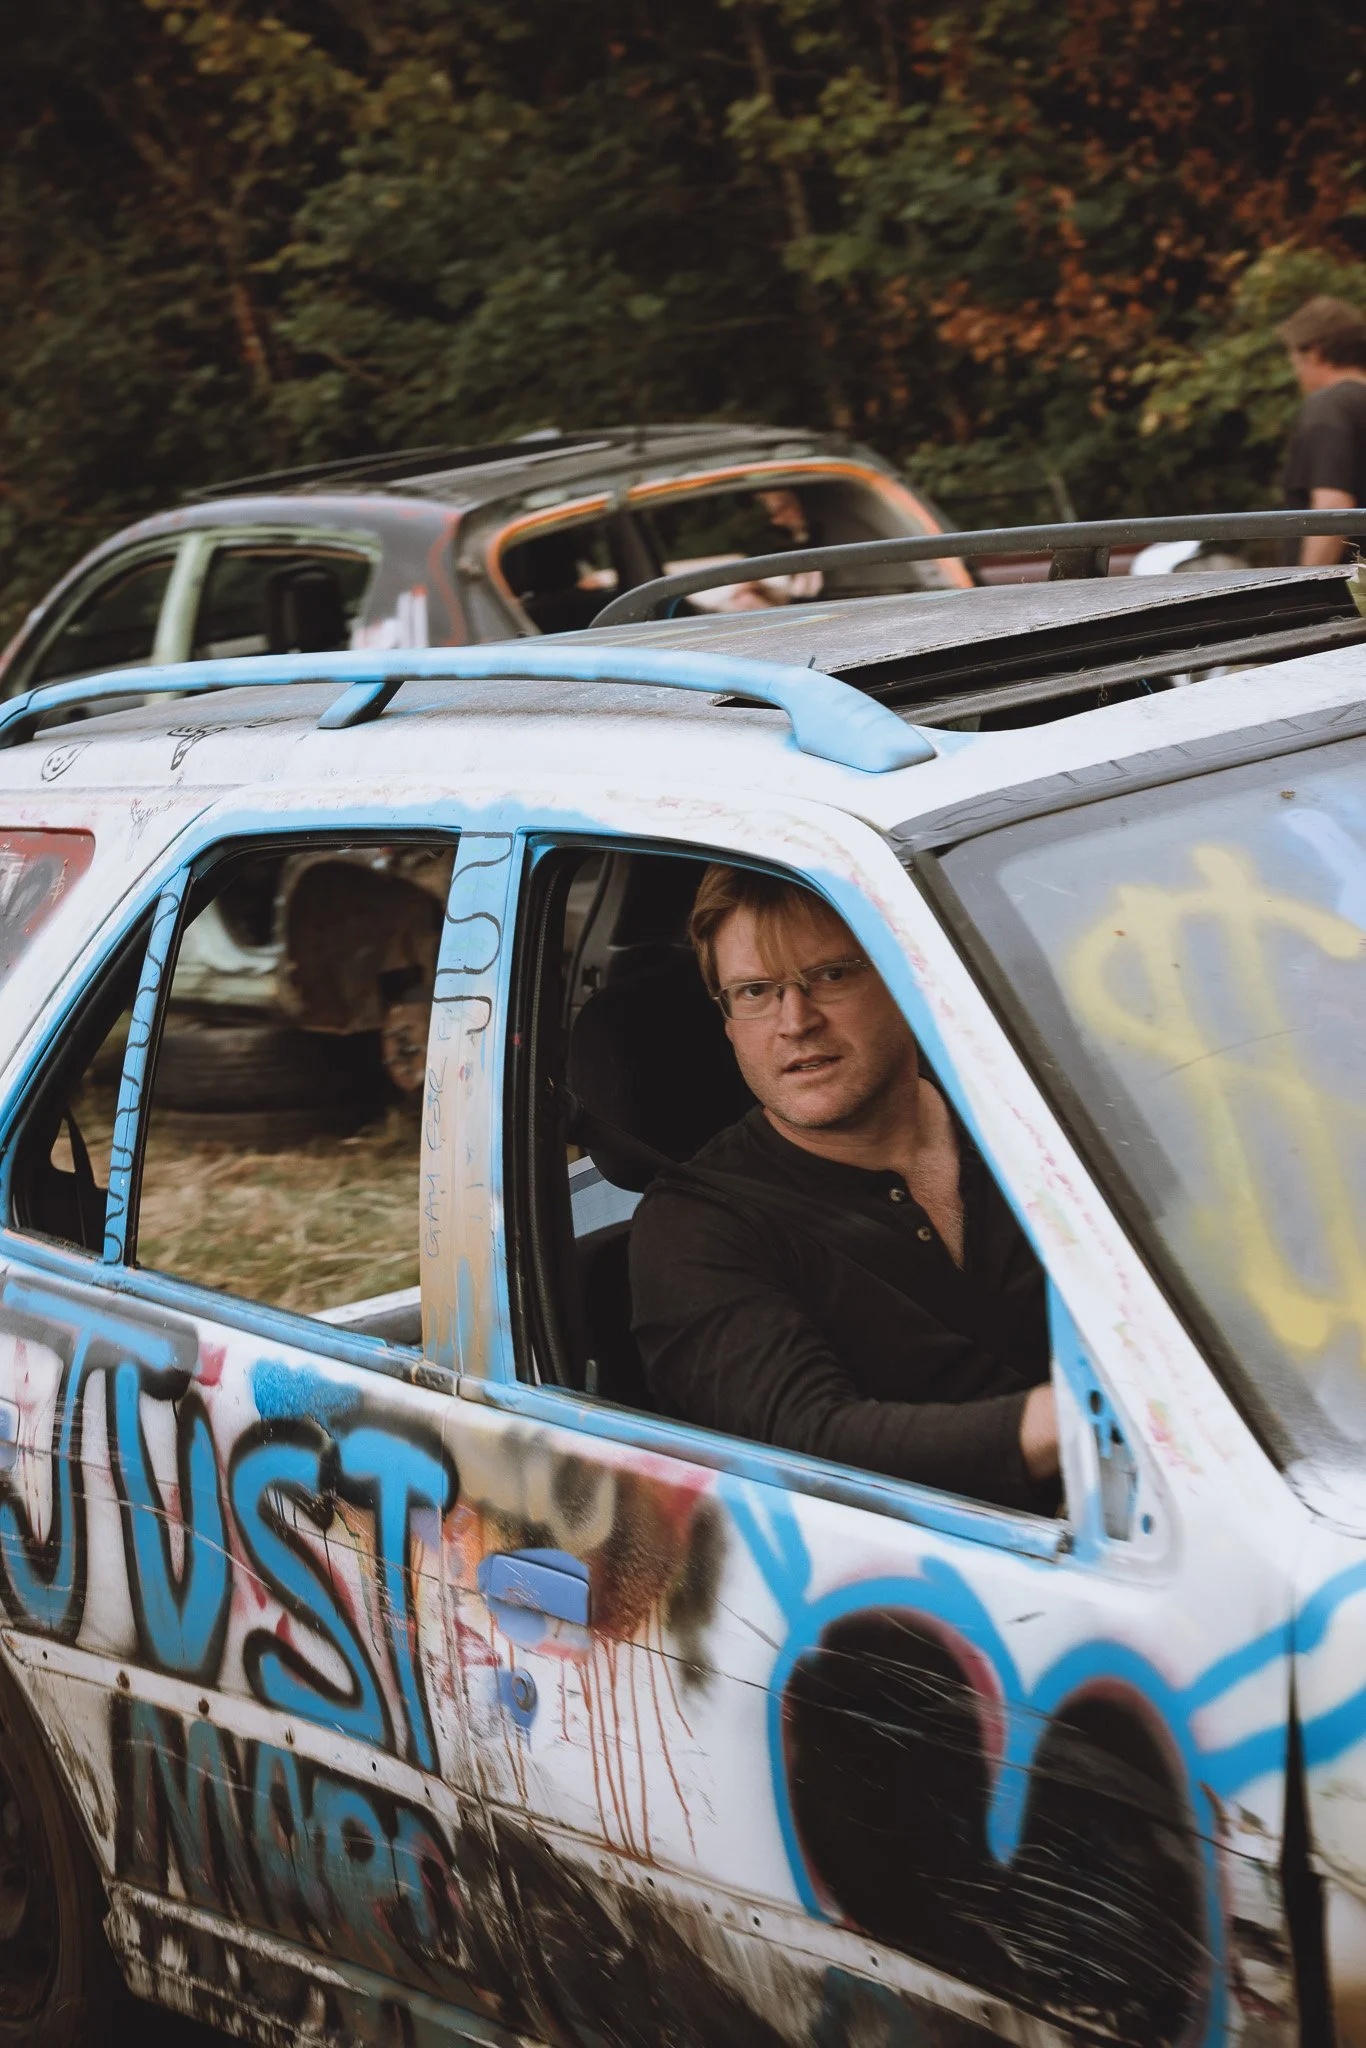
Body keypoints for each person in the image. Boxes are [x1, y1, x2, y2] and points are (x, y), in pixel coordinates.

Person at [629, 865, 1060, 1513]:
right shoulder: (694, 1226)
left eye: (831, 975)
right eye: (754, 991)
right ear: (727, 1021)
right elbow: (808, 1445)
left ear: (906, 978)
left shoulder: (1032, 1120)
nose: (795, 1021)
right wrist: (1089, 1425)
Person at [1279, 296, 1366, 566]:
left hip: (1344, 587)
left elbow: (1332, 506)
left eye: (1295, 360)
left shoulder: (1330, 405)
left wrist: (1308, 582)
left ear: (1314, 353)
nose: (1297, 373)